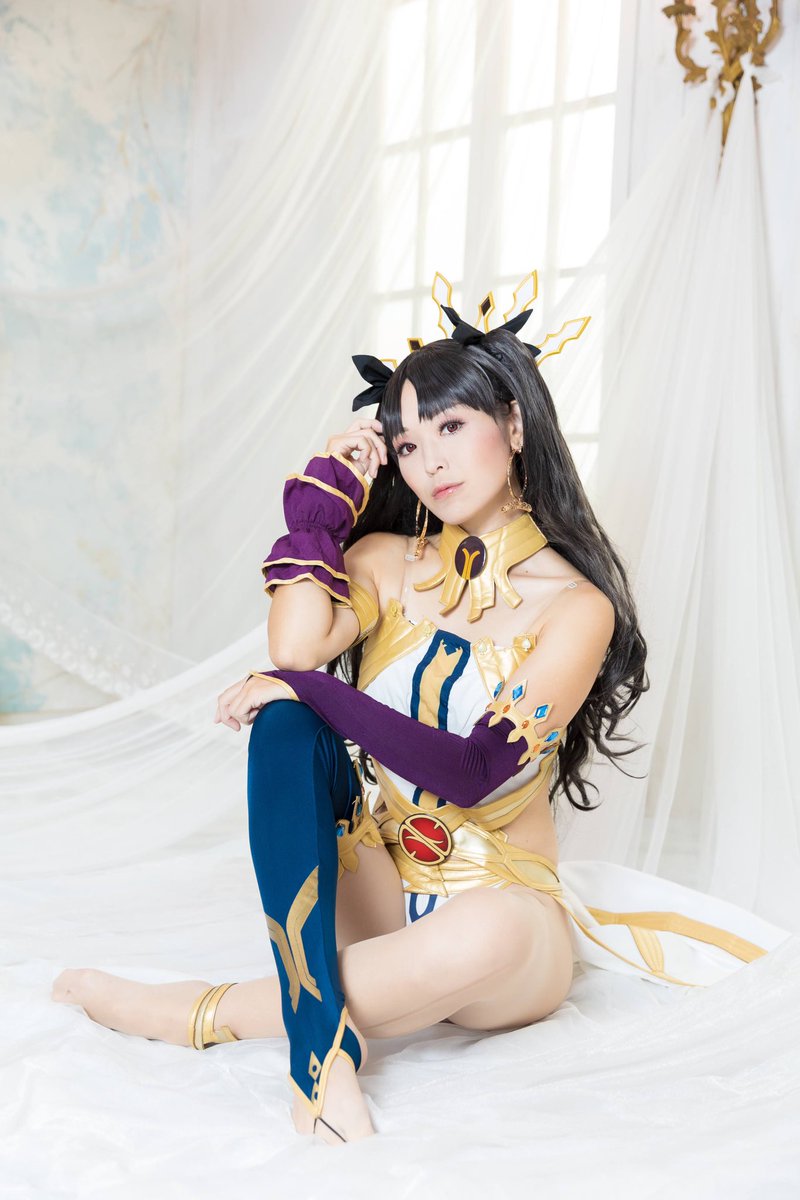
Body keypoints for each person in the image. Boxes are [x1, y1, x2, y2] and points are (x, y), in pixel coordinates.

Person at [52, 292, 772, 1146]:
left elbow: (474, 771)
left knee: (483, 921)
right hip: (382, 886)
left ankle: (196, 1012)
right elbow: (296, 646)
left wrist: (316, 690)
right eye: (407, 444)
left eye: (451, 426)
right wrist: (321, 506)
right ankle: (320, 1049)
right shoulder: (385, 561)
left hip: (503, 917)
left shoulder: (577, 607)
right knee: (285, 726)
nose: (430, 461)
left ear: (514, 423)